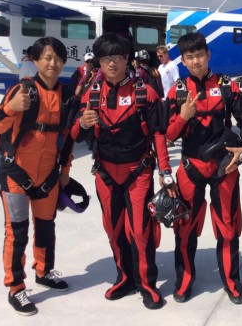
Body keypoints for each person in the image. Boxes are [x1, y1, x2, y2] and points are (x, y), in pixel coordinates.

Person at [70, 33, 175, 310]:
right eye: (106, 58)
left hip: (137, 172)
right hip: (105, 173)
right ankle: (125, 277)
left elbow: (158, 134)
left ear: (127, 59)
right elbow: (74, 135)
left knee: (140, 231)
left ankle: (147, 283)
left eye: (117, 57)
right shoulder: (92, 93)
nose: (112, 63)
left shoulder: (145, 92)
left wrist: (165, 172)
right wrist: (83, 123)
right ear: (99, 62)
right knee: (113, 229)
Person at [165, 32, 242, 305]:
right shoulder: (178, 90)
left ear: (208, 55)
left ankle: (231, 282)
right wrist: (183, 117)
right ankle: (184, 281)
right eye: (189, 57)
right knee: (184, 227)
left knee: (228, 226)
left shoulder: (227, 85)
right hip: (190, 167)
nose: (196, 61)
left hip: (223, 167)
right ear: (183, 60)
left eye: (200, 55)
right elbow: (169, 134)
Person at [0, 37, 76, 316]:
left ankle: (44, 271)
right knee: (16, 234)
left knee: (46, 228)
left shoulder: (66, 96)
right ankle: (16, 288)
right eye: (47, 58)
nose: (53, 63)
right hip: (17, 175)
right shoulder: (22, 91)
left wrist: (64, 172)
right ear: (35, 60)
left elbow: (67, 139)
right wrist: (11, 108)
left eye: (58, 58)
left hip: (48, 176)